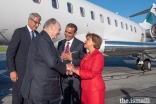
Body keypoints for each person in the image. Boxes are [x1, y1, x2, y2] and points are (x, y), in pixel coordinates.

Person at [20, 18, 71, 104]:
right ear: (51, 27)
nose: (59, 32)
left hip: (40, 89)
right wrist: (66, 67)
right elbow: (52, 62)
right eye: (59, 29)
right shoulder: (43, 39)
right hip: (38, 89)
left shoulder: (45, 39)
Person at [6, 13, 41, 104]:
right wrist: (12, 70)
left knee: (29, 97)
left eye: (38, 23)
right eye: (35, 22)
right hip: (20, 72)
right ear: (29, 20)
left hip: (32, 74)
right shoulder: (20, 32)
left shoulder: (37, 35)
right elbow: (10, 52)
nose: (37, 25)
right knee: (18, 98)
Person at [70, 33, 106, 104]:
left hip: (94, 90)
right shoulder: (87, 55)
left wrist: (75, 70)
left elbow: (91, 73)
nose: (84, 41)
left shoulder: (98, 56)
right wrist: (72, 70)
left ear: (94, 42)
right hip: (85, 89)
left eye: (87, 39)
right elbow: (81, 68)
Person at [57, 23, 86, 104]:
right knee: (64, 99)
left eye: (69, 33)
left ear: (75, 33)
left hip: (75, 78)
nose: (66, 34)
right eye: (66, 31)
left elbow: (83, 61)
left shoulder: (80, 45)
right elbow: (58, 59)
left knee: (75, 100)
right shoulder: (60, 43)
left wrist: (71, 59)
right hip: (63, 76)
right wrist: (60, 58)